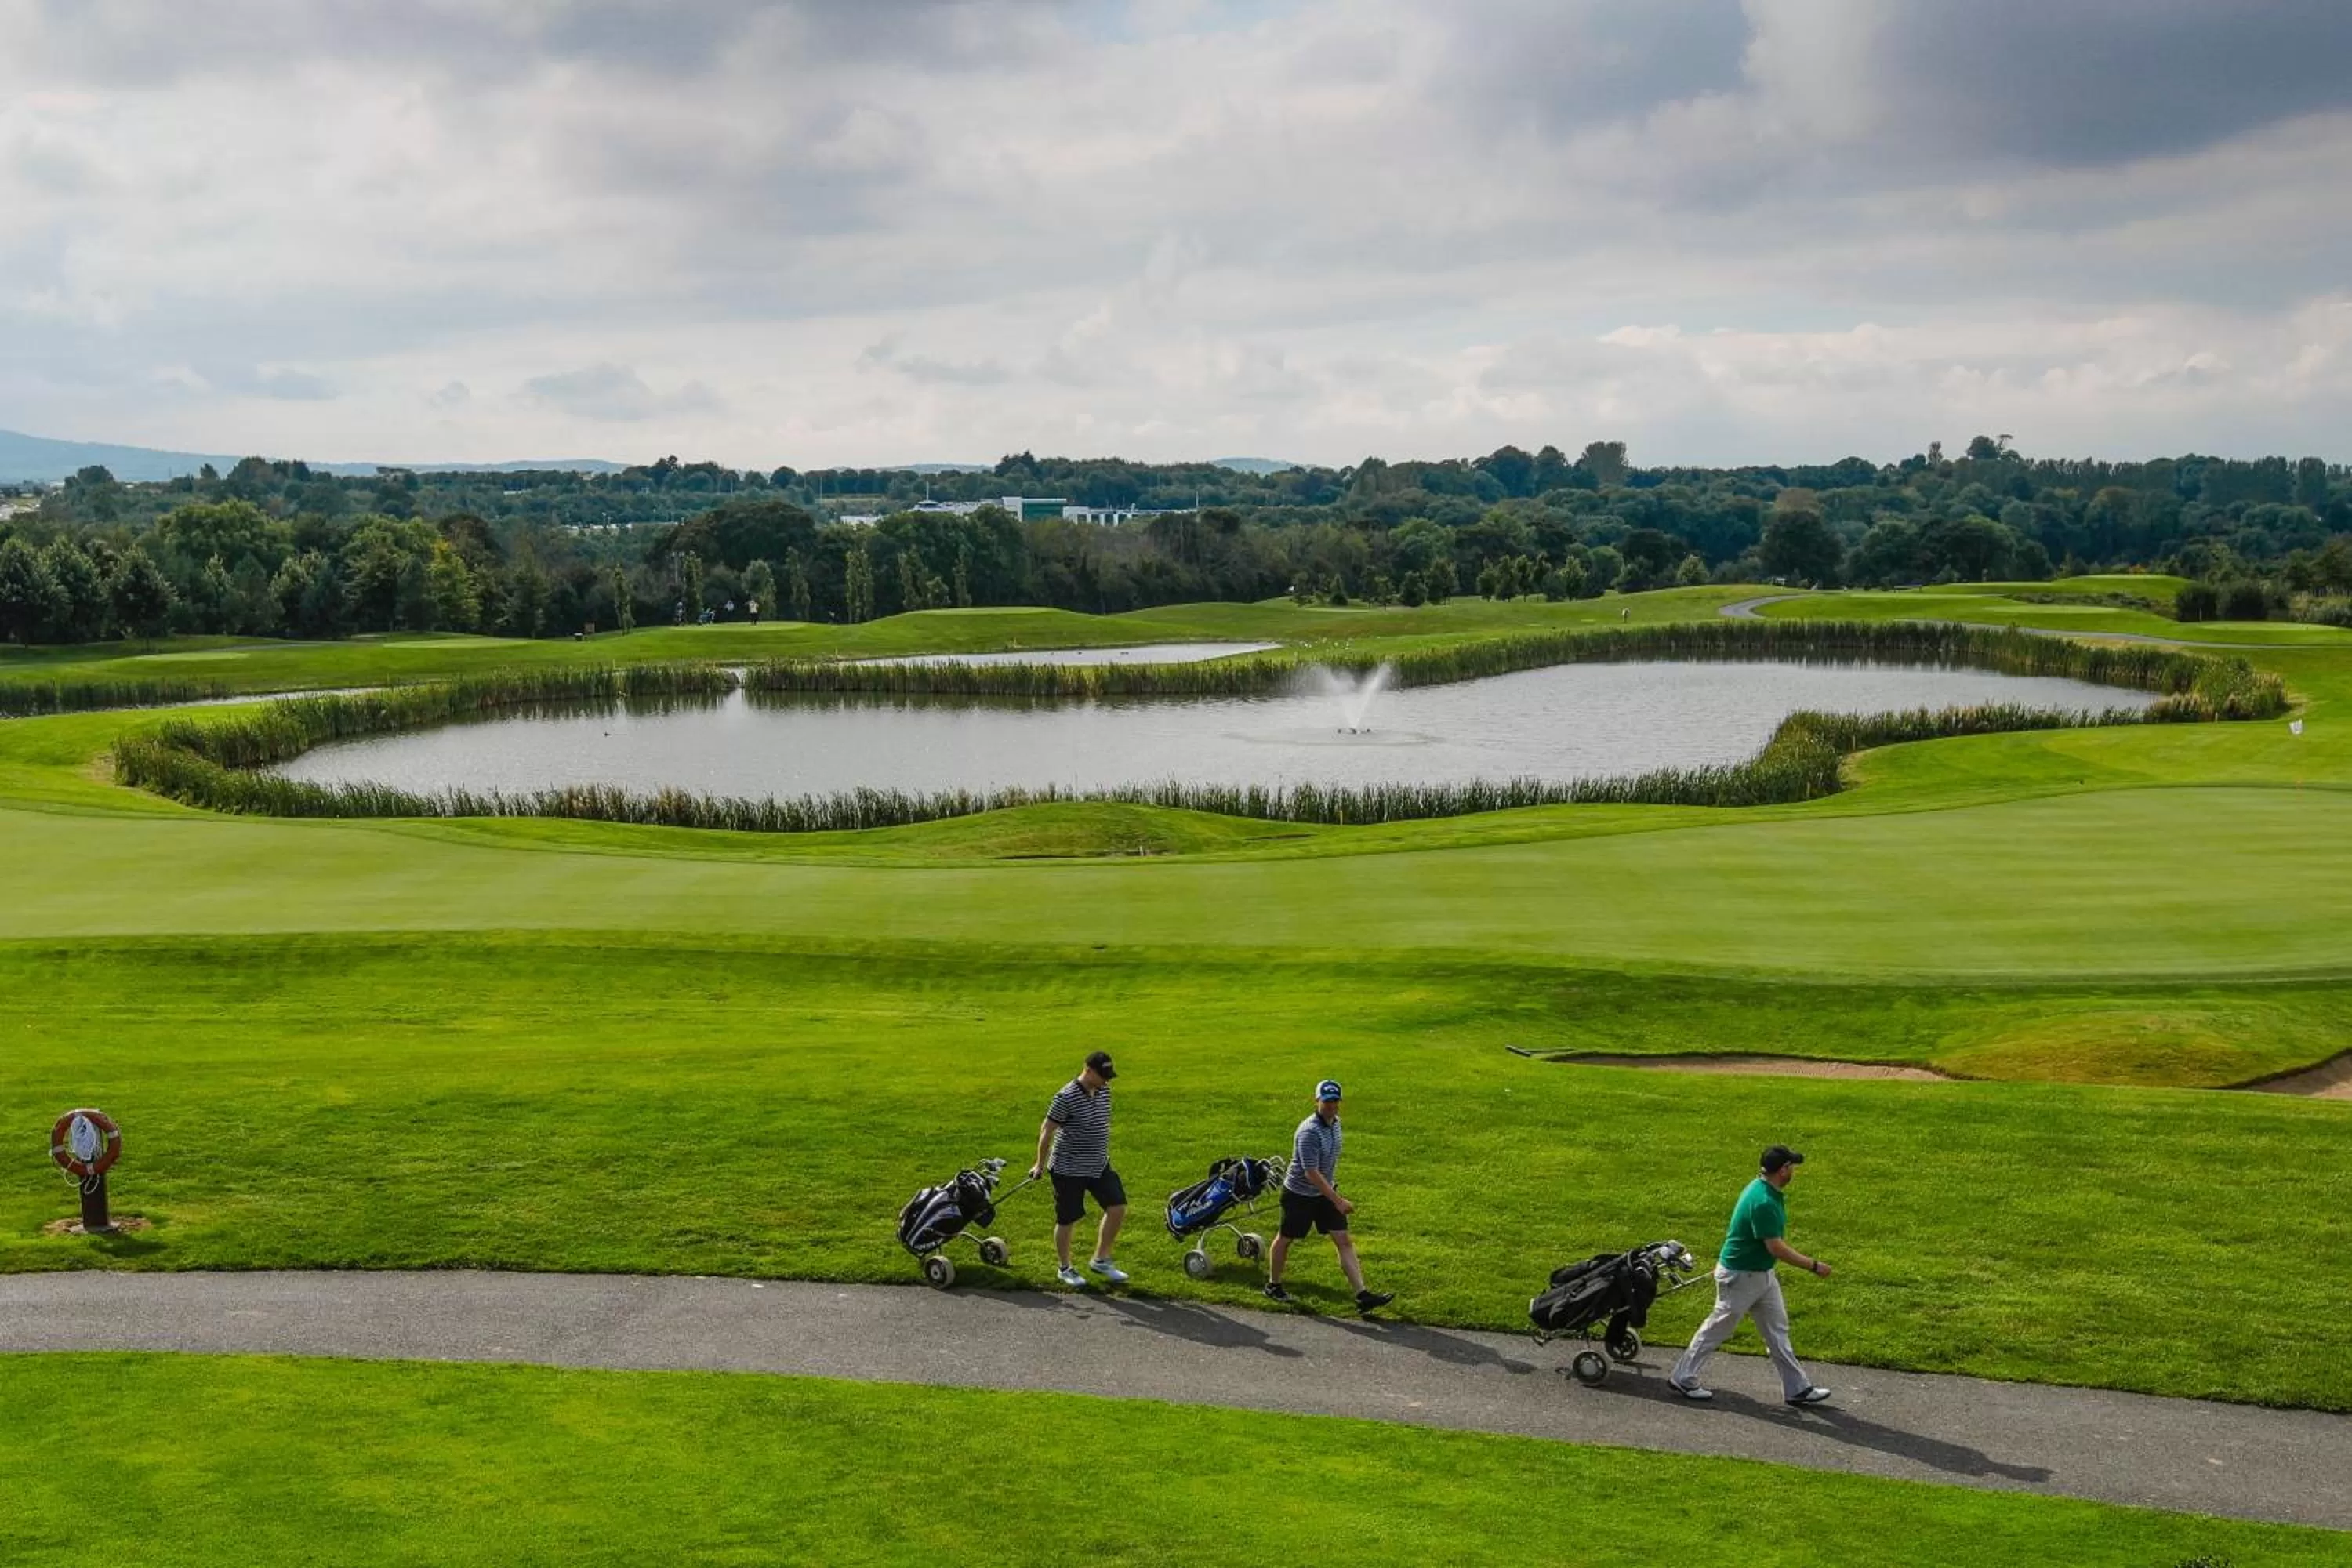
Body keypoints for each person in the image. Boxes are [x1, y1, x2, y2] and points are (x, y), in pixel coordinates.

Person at [1670, 1145, 1833, 1406]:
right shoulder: (1764, 1201)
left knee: (1777, 1331)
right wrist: (1813, 1265)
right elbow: (1775, 1247)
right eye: (1792, 1167)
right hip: (1741, 1277)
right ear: (1783, 1170)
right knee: (1718, 1328)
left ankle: (1797, 1388)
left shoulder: (1765, 1190)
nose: (1793, 1171)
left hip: (1759, 1275)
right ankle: (1683, 1377)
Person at [1264, 1080, 1393, 1316]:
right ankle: (1273, 1285)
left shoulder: (1335, 1124)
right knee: (1286, 1238)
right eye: (1326, 1101)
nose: (1331, 1105)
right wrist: (1338, 1200)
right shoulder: (1309, 1132)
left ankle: (1362, 1295)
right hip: (1300, 1195)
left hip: (1325, 1192)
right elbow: (1311, 1173)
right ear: (1317, 1101)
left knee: (1343, 1240)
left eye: (1335, 1101)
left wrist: (1332, 1195)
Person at [1029, 1050, 1127, 1290]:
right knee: (1067, 1219)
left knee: (1117, 1207)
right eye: (1103, 1075)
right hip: (1068, 1168)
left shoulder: (1104, 1091)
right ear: (1088, 1071)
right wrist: (1039, 1164)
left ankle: (1101, 1260)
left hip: (1098, 1164)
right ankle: (1065, 1268)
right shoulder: (1066, 1097)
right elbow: (1047, 1130)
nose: (1107, 1080)